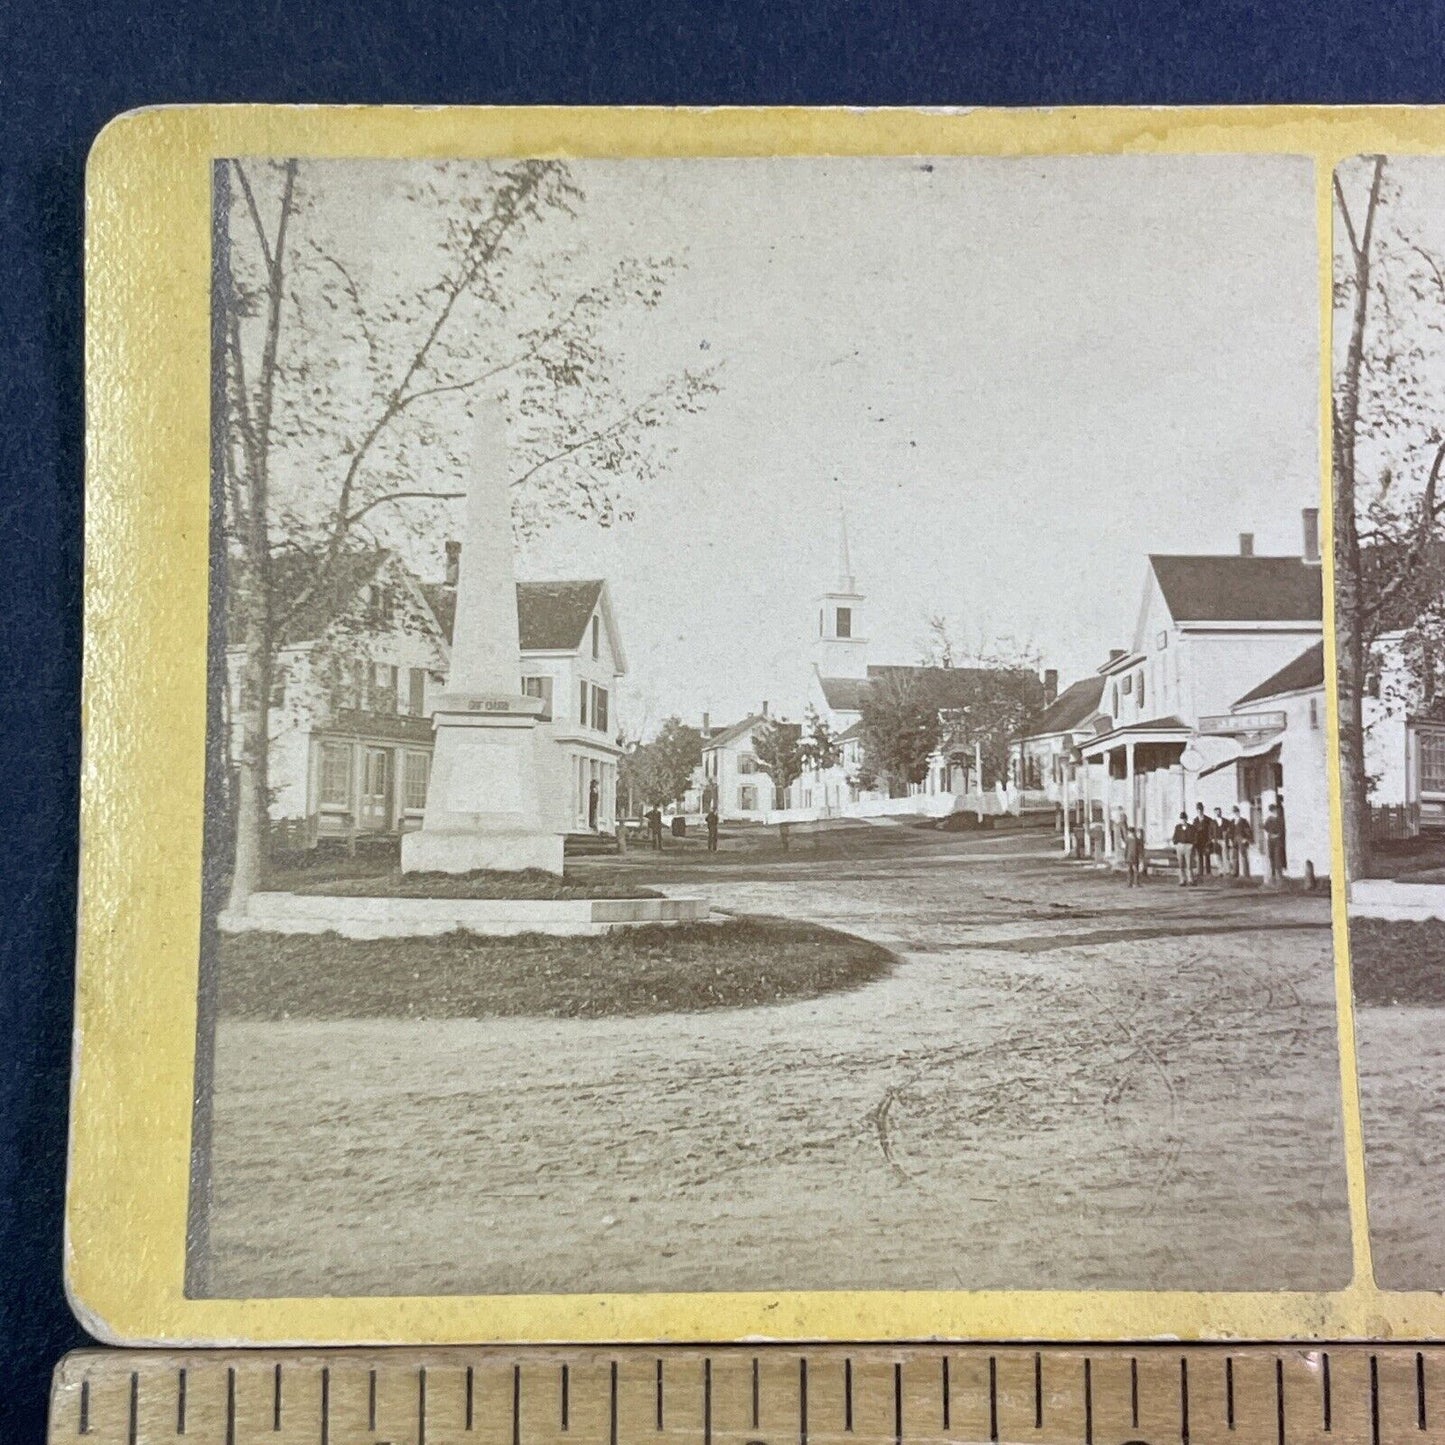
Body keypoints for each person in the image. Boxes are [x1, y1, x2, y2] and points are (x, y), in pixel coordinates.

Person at [1264, 802, 1286, 884]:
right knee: (1271, 856)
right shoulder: (1269, 819)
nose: (1273, 811)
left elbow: (1282, 829)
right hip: (1271, 840)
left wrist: (1277, 835)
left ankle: (1278, 875)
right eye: (1272, 810)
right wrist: (1271, 834)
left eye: (1274, 810)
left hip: (1277, 840)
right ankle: (1272, 875)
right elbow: (1265, 827)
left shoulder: (1279, 819)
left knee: (1277, 856)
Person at [1231, 806, 1253, 878]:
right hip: (1234, 840)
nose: (1236, 813)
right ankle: (1235, 873)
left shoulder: (1244, 821)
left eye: (1237, 811)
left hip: (1242, 839)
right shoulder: (1232, 821)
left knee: (1244, 856)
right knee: (1234, 856)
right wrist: (1230, 840)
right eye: (1234, 812)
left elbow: (1248, 831)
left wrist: (1246, 839)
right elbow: (1230, 832)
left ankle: (1246, 874)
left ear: (1239, 812)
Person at [1192, 802, 1213, 878]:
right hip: (1198, 842)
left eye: (1201, 809)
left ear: (1203, 809)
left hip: (1206, 841)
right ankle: (1200, 873)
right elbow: (1193, 831)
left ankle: (1208, 873)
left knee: (1207, 856)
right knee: (1199, 856)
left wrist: (1210, 841)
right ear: (1196, 810)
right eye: (1198, 809)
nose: (1200, 811)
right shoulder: (1195, 820)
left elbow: (1211, 831)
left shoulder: (1208, 820)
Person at [1172, 812, 1194, 886]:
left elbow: (1195, 837)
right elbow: (1174, 837)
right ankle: (1182, 880)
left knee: (1189, 864)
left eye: (1184, 818)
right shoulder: (1178, 827)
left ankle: (1190, 880)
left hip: (1188, 846)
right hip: (1180, 846)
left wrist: (1192, 844)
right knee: (1181, 865)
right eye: (1182, 819)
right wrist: (1176, 844)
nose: (1183, 820)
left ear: (1187, 819)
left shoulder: (1191, 827)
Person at [1212, 807, 1229, 875]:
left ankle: (1227, 871)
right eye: (1216, 812)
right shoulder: (1212, 822)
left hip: (1224, 840)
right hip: (1216, 840)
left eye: (1219, 812)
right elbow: (1210, 831)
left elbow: (1229, 829)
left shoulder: (1225, 821)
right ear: (1214, 813)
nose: (1218, 813)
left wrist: (1227, 835)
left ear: (1221, 812)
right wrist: (1212, 839)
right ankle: (1221, 871)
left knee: (1225, 855)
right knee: (1217, 855)